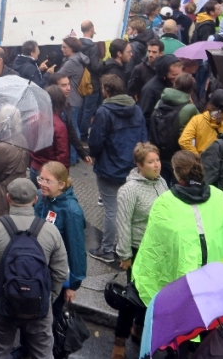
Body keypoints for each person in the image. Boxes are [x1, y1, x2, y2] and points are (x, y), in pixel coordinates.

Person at [0, 178, 69, 359]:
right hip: (39, 304)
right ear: (35, 199)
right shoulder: (50, 231)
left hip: (2, 302)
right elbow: (60, 272)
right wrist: (47, 297)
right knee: (43, 353)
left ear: (8, 198)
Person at [132, 151, 223, 307]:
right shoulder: (220, 197)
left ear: (176, 173)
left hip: (181, 284)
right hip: (214, 281)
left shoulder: (165, 202)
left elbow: (153, 246)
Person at [112, 143, 168, 359]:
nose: (156, 165)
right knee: (132, 298)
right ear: (139, 165)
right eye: (151, 162)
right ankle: (119, 341)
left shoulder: (162, 182)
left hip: (157, 250)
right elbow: (123, 223)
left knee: (151, 294)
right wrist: (125, 255)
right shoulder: (129, 190)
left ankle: (139, 327)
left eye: (158, 160)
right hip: (137, 250)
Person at [88, 74, 148, 263]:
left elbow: (96, 142)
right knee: (129, 209)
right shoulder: (136, 110)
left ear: (106, 90)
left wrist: (94, 154)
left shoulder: (104, 112)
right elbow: (143, 137)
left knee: (111, 210)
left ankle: (107, 248)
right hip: (132, 167)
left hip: (109, 168)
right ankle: (128, 245)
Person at [34, 162, 86, 324]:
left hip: (55, 276)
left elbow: (76, 249)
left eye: (48, 181)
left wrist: (73, 284)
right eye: (41, 179)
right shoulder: (41, 197)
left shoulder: (71, 211)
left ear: (62, 184)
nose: (42, 184)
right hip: (36, 269)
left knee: (50, 319)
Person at [180, 90, 223, 155]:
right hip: (220, 162)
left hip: (202, 159)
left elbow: (183, 141)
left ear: (210, 103)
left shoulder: (197, 120)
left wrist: (197, 157)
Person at [138, 54, 183, 128]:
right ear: (164, 74)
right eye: (174, 75)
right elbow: (145, 116)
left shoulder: (175, 84)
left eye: (179, 74)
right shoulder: (150, 89)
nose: (177, 78)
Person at [59, 36, 90, 133]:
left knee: (72, 129)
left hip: (71, 100)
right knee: (73, 126)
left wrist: (49, 73)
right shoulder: (78, 58)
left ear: (72, 48)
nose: (62, 49)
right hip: (76, 98)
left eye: (65, 47)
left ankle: (74, 148)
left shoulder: (72, 62)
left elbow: (58, 77)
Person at [78, 20, 104, 140]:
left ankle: (78, 131)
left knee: (80, 108)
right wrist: (102, 64)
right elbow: (95, 66)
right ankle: (83, 135)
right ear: (92, 29)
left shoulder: (77, 45)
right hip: (91, 82)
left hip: (78, 81)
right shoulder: (93, 47)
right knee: (88, 110)